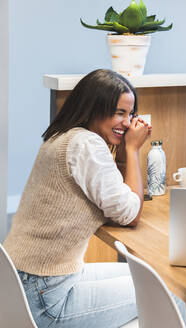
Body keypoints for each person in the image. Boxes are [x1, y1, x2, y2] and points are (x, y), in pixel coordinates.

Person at [3, 69, 151, 327]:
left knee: (151, 279)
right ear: (94, 108)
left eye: (130, 114)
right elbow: (131, 214)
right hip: (46, 296)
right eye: (119, 112)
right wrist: (132, 148)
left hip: (23, 283)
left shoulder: (62, 136)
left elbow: (114, 197)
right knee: (165, 293)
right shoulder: (86, 145)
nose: (127, 123)